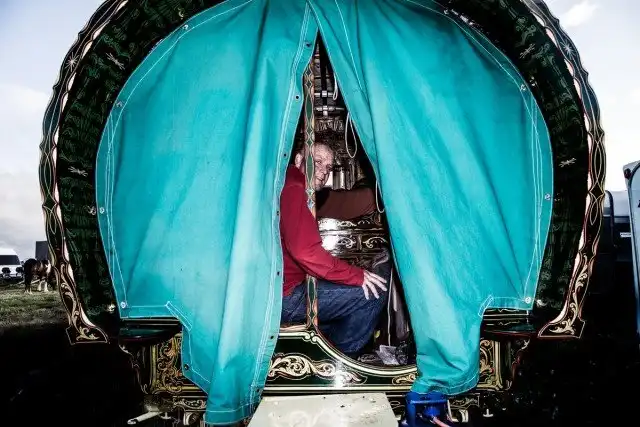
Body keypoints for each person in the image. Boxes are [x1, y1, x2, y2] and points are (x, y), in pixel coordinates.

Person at [279, 142, 390, 358]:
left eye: (329, 167)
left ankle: (322, 354)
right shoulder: (295, 187)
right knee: (374, 293)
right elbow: (305, 252)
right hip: (285, 296)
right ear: (299, 160)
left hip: (284, 287)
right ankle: (340, 360)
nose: (323, 171)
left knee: (346, 307)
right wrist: (356, 275)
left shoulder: (293, 183)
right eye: (317, 162)